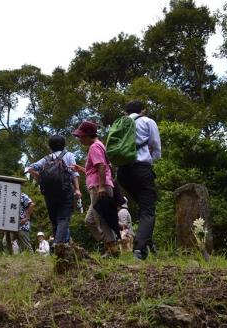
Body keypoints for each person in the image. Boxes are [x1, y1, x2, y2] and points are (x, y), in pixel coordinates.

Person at [117, 101, 161, 260]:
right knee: (148, 210)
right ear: (143, 110)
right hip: (141, 169)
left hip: (122, 173)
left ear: (125, 111)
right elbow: (156, 148)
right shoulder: (147, 121)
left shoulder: (120, 123)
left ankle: (148, 243)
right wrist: (150, 158)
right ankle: (139, 250)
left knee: (144, 208)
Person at [71, 120, 119, 257]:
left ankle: (113, 249)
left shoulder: (94, 147)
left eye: (80, 136)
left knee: (101, 219)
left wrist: (102, 187)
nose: (79, 139)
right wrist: (81, 169)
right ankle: (110, 245)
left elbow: (102, 167)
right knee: (90, 220)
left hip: (99, 187)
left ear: (87, 135)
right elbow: (96, 169)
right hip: (98, 185)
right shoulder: (99, 146)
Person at [27, 135, 81, 247]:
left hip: (49, 193)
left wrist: (40, 178)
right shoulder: (69, 155)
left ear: (50, 147)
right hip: (65, 191)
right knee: (64, 217)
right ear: (64, 145)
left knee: (54, 219)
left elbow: (30, 168)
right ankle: (58, 243)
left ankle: (59, 246)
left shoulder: (46, 158)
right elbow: (74, 173)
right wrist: (77, 189)